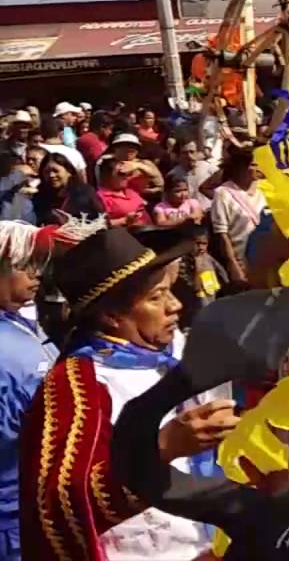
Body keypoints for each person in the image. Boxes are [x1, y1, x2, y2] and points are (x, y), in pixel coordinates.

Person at [19, 227, 239, 560]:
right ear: (111, 316)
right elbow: (58, 511)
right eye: (156, 297)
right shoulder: (76, 388)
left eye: (170, 291)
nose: (176, 305)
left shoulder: (170, 356)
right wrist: (161, 448)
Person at [0, 222, 56, 560]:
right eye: (24, 266)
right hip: (11, 517)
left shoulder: (19, 322)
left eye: (38, 264)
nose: (36, 275)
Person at [210, 148, 265, 289]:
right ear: (241, 168)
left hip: (267, 258)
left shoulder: (266, 189)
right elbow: (222, 234)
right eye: (253, 165)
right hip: (242, 259)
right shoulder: (223, 193)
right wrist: (233, 264)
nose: (258, 168)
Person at [32, 152, 102, 226]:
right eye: (46, 172)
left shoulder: (85, 193)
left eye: (55, 171)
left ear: (69, 171)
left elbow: (100, 219)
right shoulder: (40, 198)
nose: (51, 175)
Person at [97, 156, 151, 228]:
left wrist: (137, 165)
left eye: (127, 173)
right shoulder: (100, 197)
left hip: (150, 230)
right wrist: (124, 220)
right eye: (121, 173)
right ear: (106, 175)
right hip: (128, 233)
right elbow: (99, 224)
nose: (126, 176)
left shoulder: (130, 187)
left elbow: (154, 176)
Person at [168, 139, 218, 209]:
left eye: (192, 152)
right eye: (184, 153)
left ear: (198, 152)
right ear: (179, 155)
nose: (189, 156)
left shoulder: (211, 170)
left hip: (209, 210)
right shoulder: (173, 175)